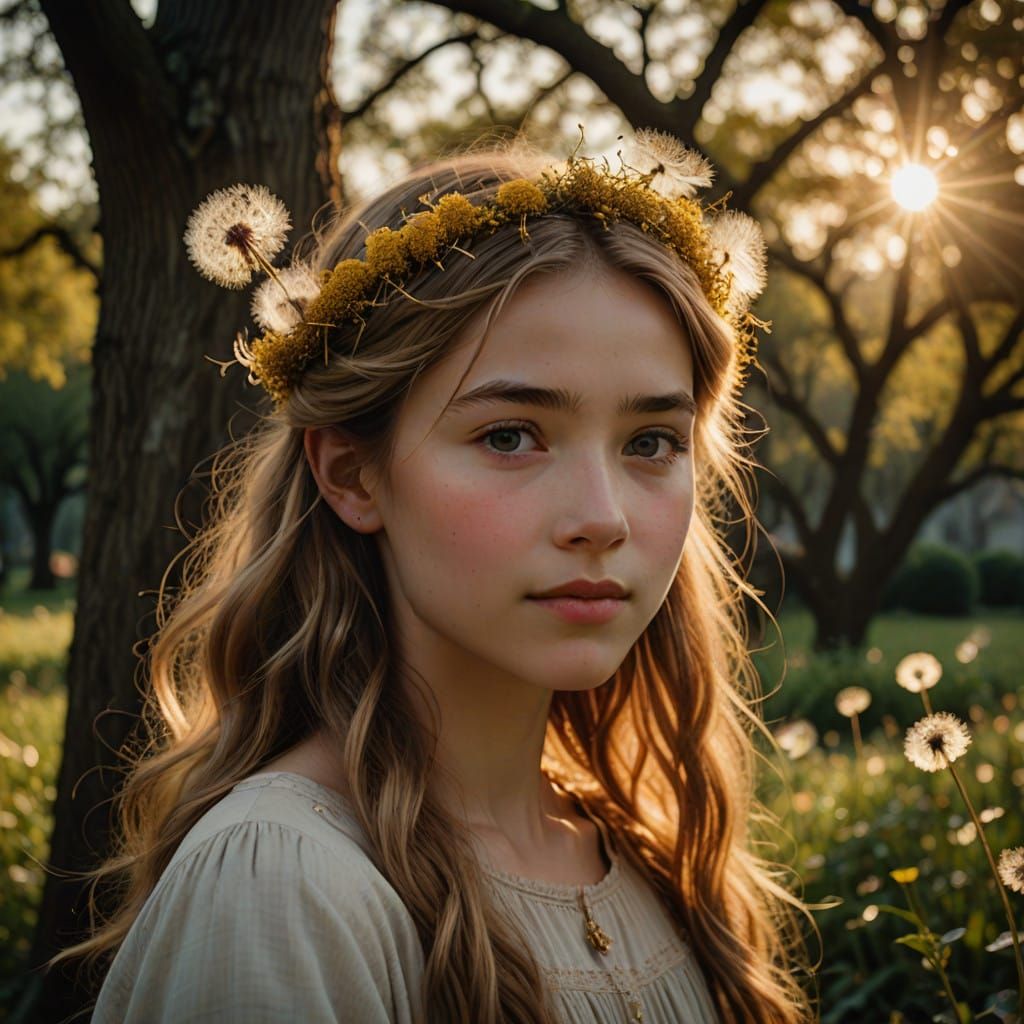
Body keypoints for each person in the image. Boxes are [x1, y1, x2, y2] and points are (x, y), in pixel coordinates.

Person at [51, 130, 815, 1023]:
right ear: (350, 473)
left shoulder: (648, 861)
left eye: (651, 442)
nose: (603, 516)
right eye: (509, 435)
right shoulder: (287, 886)